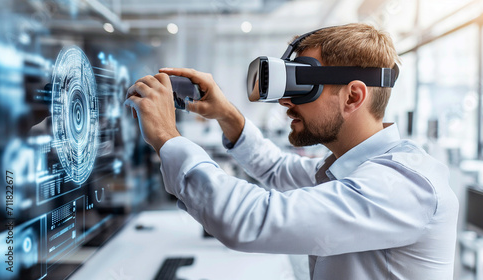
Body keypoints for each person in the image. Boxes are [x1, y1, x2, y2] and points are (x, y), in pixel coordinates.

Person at [124, 23, 459, 279]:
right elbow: (276, 170)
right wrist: (227, 114)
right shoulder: (349, 167)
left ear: (353, 97)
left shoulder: (402, 186)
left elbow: (250, 220)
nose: (286, 101)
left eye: (302, 85)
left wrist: (167, 136)